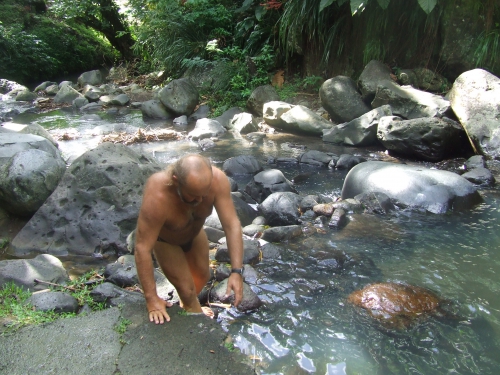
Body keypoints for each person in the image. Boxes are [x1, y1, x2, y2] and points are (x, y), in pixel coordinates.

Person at [134, 154, 244, 324]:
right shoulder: (158, 194)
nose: (200, 200)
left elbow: (232, 225)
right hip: (166, 241)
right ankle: (194, 317)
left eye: (204, 194)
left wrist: (237, 272)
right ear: (176, 180)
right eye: (193, 195)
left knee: (202, 276)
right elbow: (142, 248)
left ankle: (186, 306)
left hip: (195, 234)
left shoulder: (217, 180)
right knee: (187, 290)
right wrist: (151, 299)